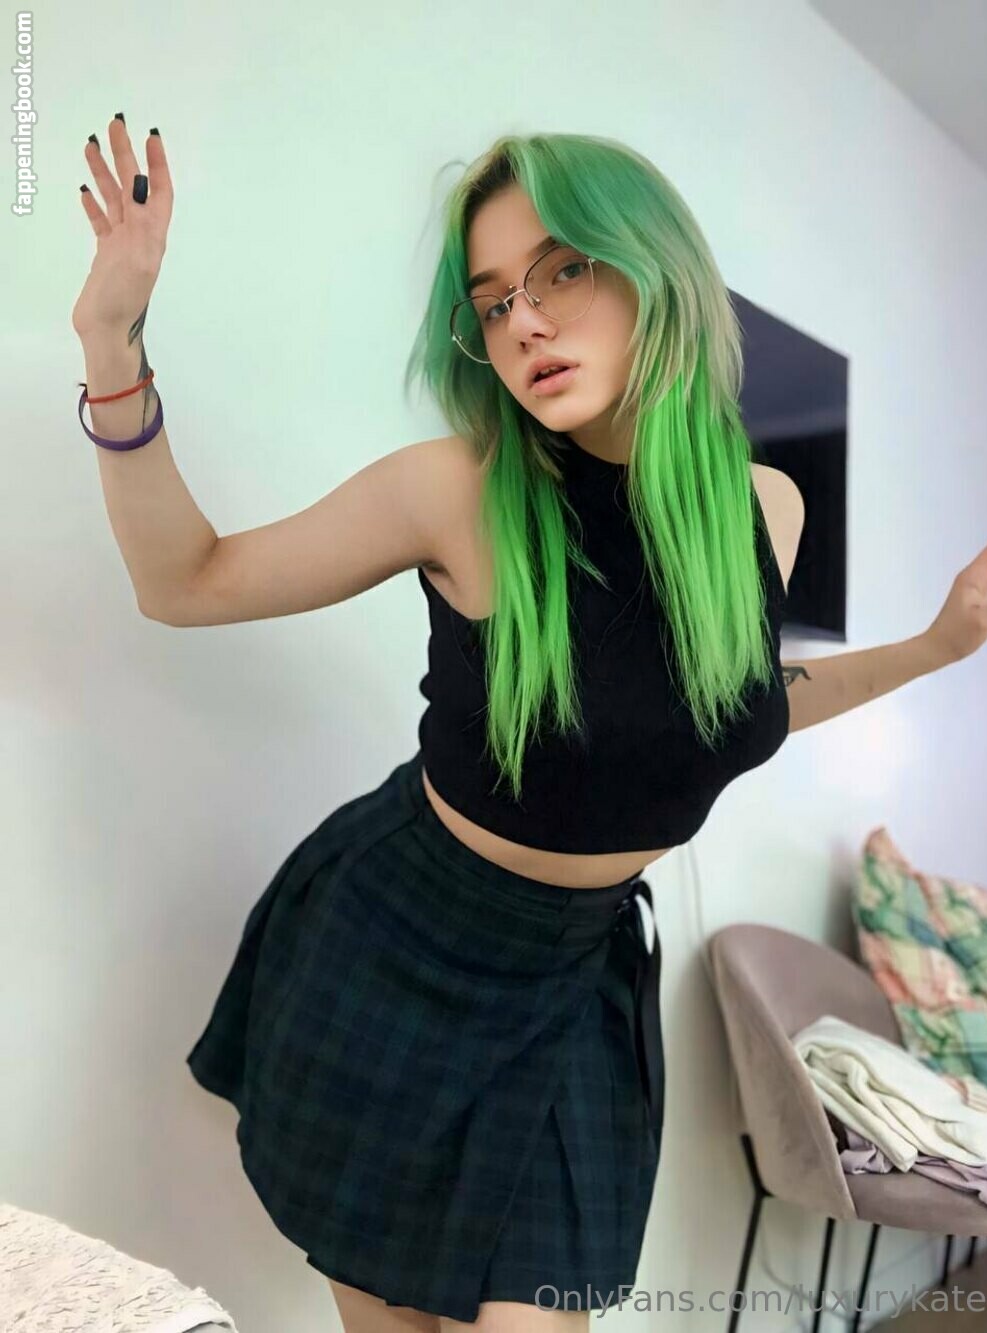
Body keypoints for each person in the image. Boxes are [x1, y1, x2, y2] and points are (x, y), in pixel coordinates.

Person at [71, 118, 807, 1332]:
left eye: (563, 268)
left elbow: (735, 700)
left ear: (658, 265)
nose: (525, 322)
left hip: (575, 983)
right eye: (494, 299)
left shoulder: (762, 506)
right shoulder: (455, 490)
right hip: (397, 946)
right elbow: (183, 580)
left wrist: (937, 648)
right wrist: (112, 344)